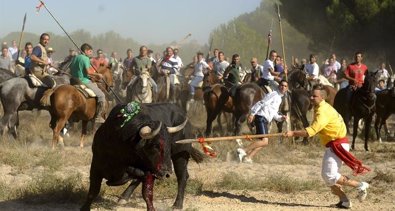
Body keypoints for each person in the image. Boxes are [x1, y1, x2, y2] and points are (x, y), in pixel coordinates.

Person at [284, 84, 370, 209]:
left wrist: (293, 133)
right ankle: (345, 201)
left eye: (315, 96)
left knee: (329, 175)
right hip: (334, 144)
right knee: (328, 177)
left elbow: (310, 132)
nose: (311, 98)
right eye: (311, 95)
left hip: (337, 144)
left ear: (322, 98)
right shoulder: (321, 107)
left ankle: (360, 185)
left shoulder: (322, 112)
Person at [237, 80, 288, 163]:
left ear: (287, 88)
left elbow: (274, 113)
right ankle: (243, 150)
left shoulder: (279, 99)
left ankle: (248, 157)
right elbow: (261, 102)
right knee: (264, 141)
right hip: (261, 117)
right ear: (279, 86)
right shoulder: (274, 94)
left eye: (285, 86)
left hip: (265, 120)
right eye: (282, 85)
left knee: (263, 142)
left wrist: (281, 118)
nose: (283, 87)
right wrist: (252, 114)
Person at [69, 43, 106, 123]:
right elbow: (88, 71)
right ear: (85, 51)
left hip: (73, 81)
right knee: (101, 95)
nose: (91, 53)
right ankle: (98, 117)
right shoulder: (85, 58)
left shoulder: (75, 57)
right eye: (90, 51)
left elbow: (71, 69)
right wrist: (98, 74)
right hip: (83, 81)